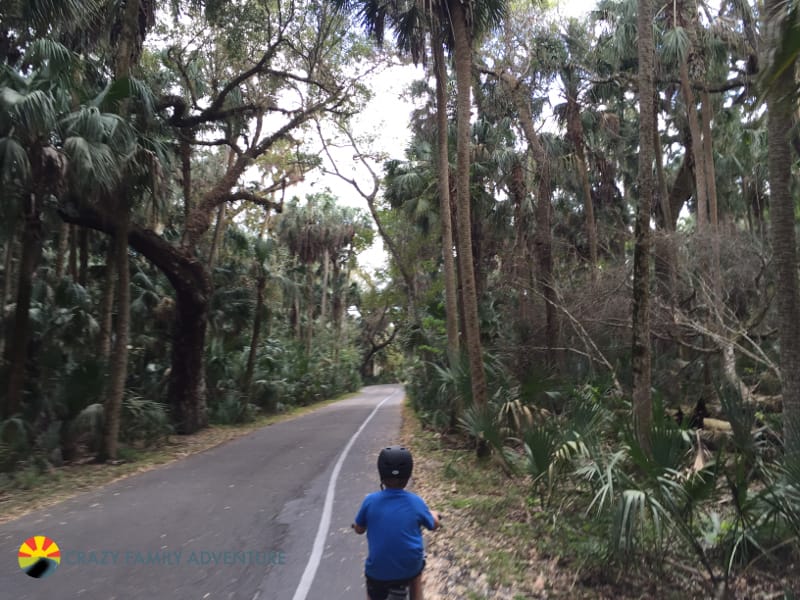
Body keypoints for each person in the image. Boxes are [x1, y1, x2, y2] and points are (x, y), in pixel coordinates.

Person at [352, 445, 440, 600]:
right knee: (416, 576)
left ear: (381, 475)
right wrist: (434, 515)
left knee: (372, 586)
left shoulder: (370, 501)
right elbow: (433, 525)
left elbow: (359, 529)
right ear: (408, 477)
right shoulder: (416, 502)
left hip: (378, 571)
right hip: (409, 568)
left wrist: (357, 526)